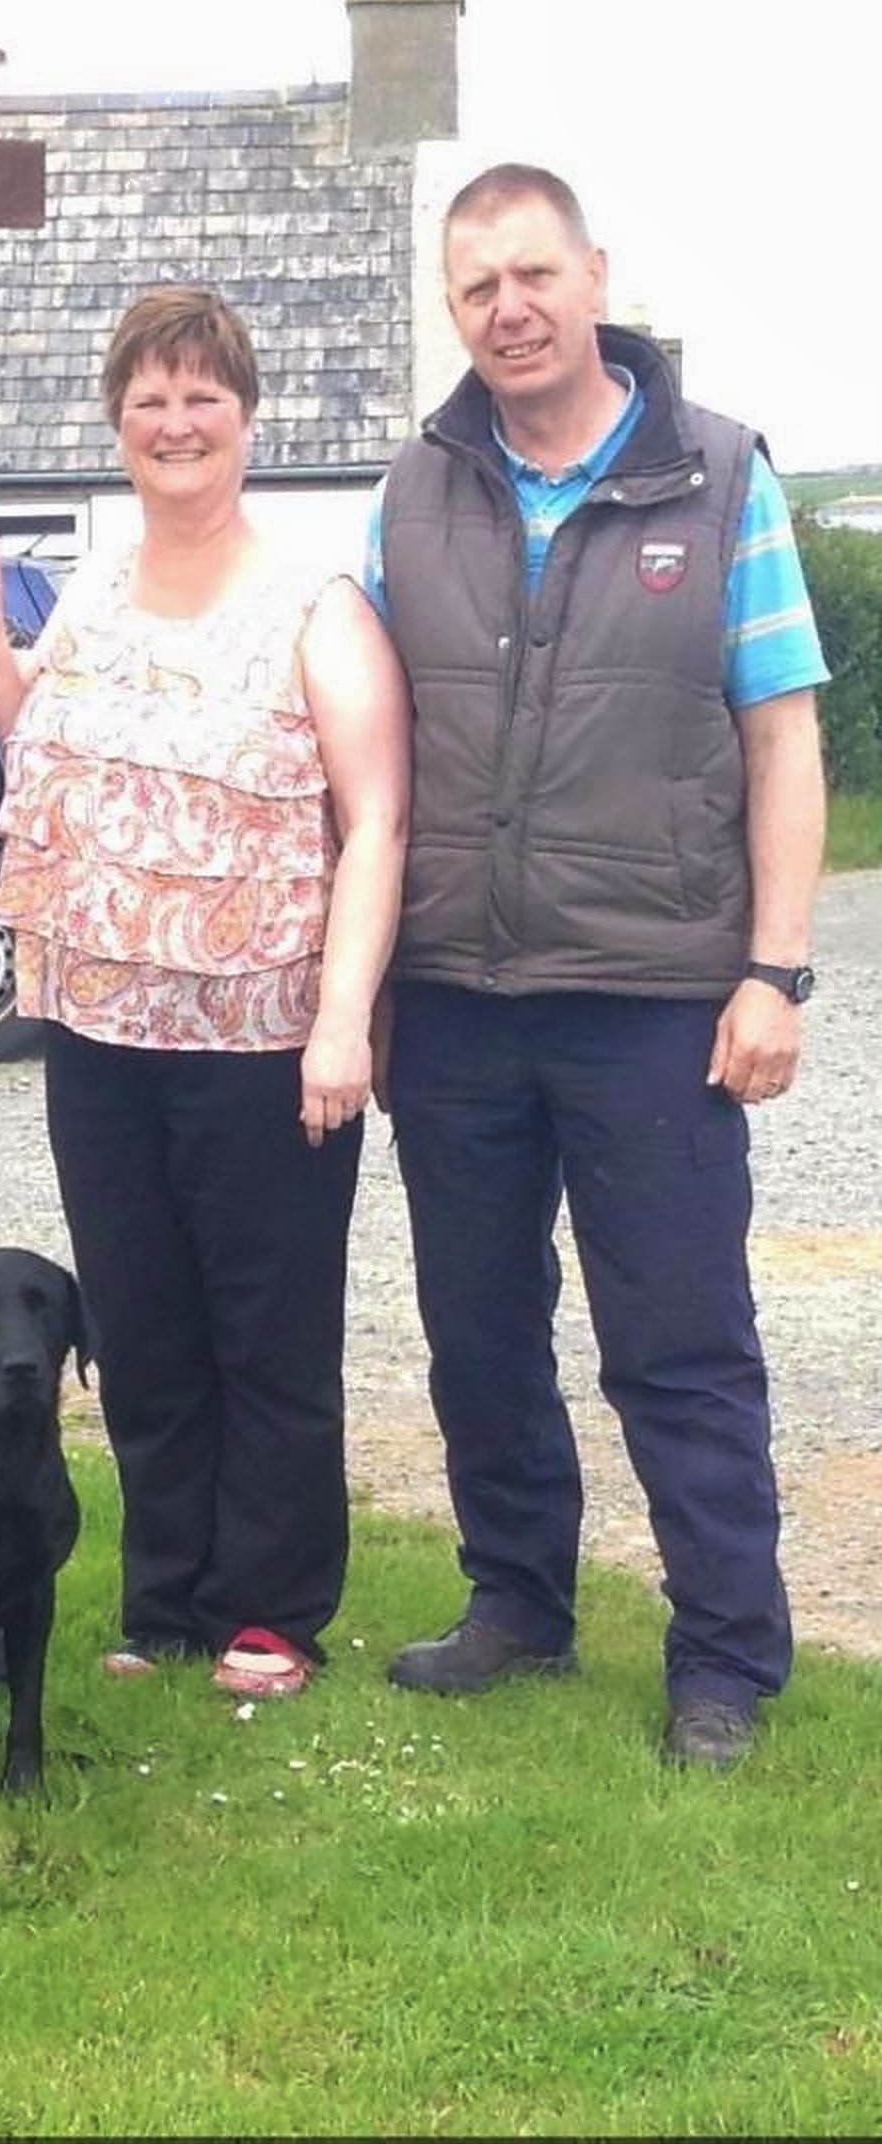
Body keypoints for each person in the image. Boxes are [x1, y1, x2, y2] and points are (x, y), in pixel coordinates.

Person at [365, 163, 829, 1769]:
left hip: (655, 1005)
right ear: (455, 306)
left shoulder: (719, 479)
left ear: (595, 277)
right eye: (478, 284)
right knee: (477, 1326)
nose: (509, 306)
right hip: (456, 1000)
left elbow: (782, 739)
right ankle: (518, 1605)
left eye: (534, 273)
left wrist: (777, 969)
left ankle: (727, 1662)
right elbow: (356, 733)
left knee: (679, 1343)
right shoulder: (411, 493)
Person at [0, 286, 411, 1701]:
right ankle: (166, 1600)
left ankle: (272, 1610)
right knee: (145, 1327)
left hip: (264, 1042)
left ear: (245, 419)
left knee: (266, 1334)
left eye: (202, 397)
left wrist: (341, 1020)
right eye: (151, 399)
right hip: (99, 1035)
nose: (177, 422)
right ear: (117, 424)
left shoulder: (314, 607)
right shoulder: (91, 600)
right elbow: (26, 738)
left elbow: (378, 821)